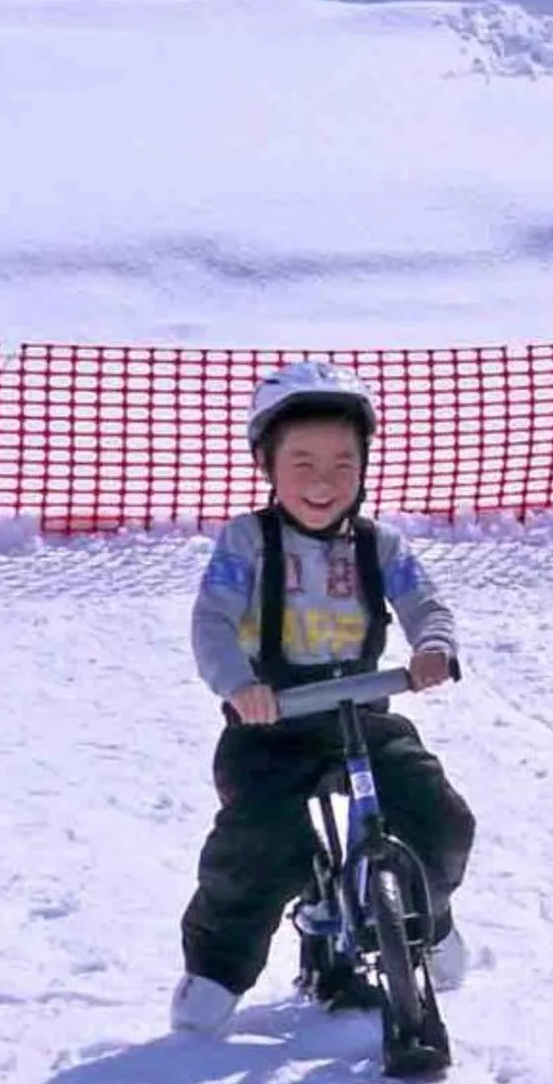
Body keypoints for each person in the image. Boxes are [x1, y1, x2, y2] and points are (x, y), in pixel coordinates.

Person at [170, 361, 479, 1033]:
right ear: (267, 465)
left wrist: (432, 650)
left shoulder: (378, 544)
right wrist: (239, 686)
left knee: (439, 817)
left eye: (343, 464)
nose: (323, 481)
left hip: (361, 710)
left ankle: (429, 914)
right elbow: (213, 620)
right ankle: (215, 967)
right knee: (257, 843)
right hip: (271, 722)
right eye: (302, 461)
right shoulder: (247, 543)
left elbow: (425, 603)